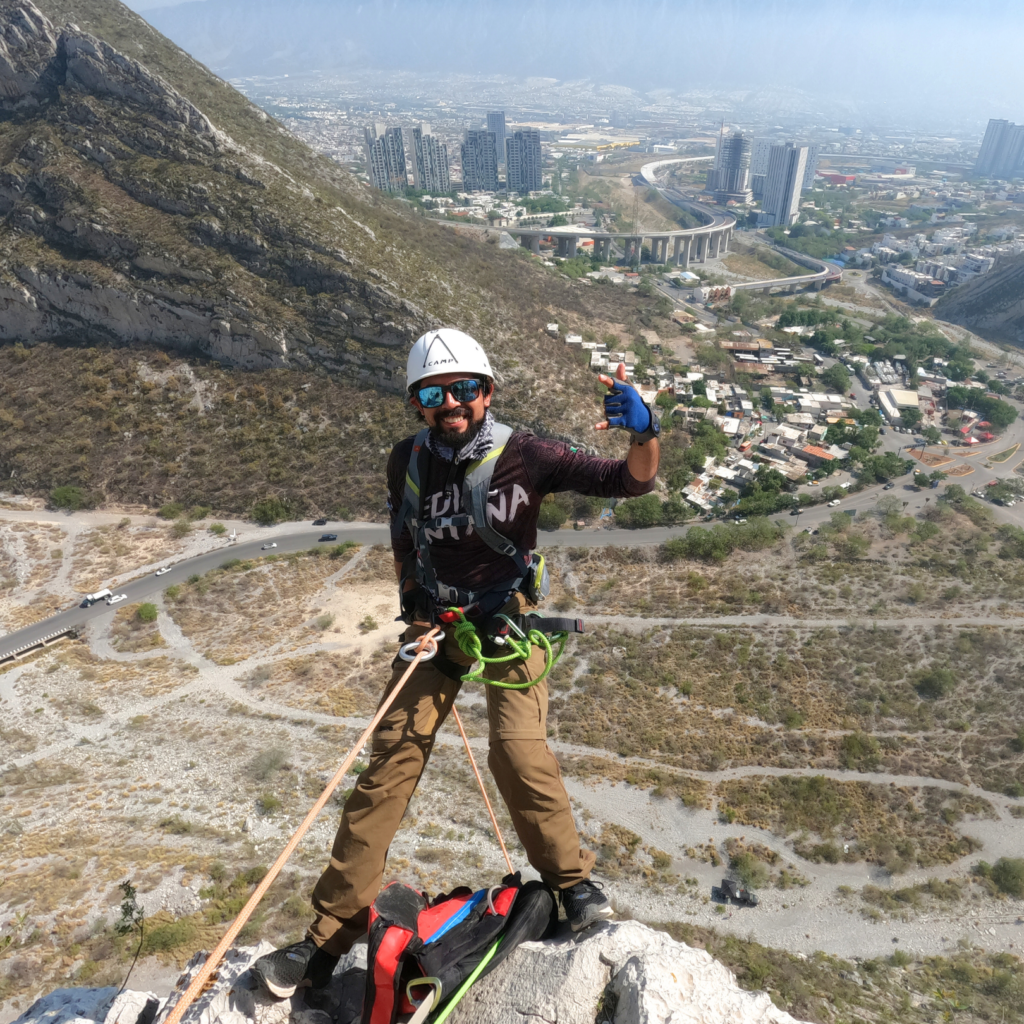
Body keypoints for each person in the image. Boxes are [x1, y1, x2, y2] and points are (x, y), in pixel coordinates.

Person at [253, 328, 660, 997]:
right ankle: (327, 940)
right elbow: (405, 542)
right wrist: (416, 620)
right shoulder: (407, 460)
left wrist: (646, 433)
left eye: (464, 390)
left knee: (518, 751)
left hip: (506, 620)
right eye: (435, 393)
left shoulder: (526, 454)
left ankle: (574, 886)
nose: (452, 403)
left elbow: (629, 482)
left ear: (487, 392)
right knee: (391, 763)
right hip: (440, 623)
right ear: (418, 402)